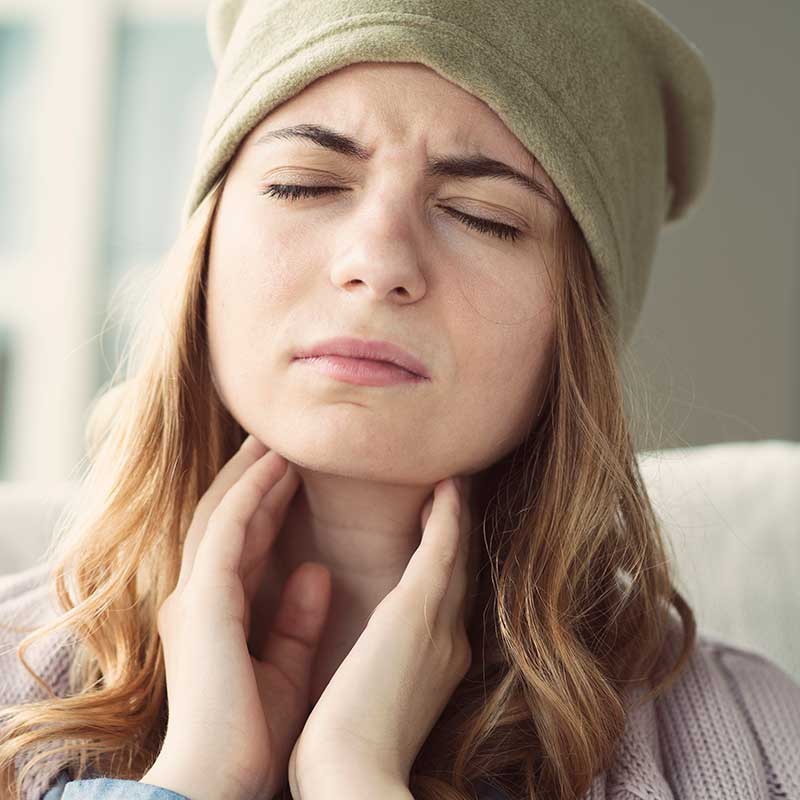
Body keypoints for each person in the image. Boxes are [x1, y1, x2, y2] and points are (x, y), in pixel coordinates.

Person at [1, 1, 798, 799]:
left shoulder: (764, 750)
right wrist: (201, 770)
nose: (378, 260)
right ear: (205, 251)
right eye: (303, 185)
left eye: (480, 217)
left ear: (577, 329)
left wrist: (357, 777)